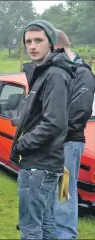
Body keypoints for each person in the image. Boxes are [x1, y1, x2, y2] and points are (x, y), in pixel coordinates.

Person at [10, 20, 76, 239]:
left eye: (38, 40)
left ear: (51, 43)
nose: (32, 46)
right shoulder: (44, 72)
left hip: (40, 164)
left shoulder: (55, 75)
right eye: (28, 41)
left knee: (30, 226)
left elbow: (53, 123)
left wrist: (21, 144)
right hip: (42, 162)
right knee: (45, 222)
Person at [53, 29, 95, 239]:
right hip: (54, 141)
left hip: (68, 143)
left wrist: (53, 133)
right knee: (53, 188)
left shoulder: (82, 73)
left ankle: (65, 234)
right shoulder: (62, 70)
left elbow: (79, 113)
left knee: (64, 190)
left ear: (58, 48)